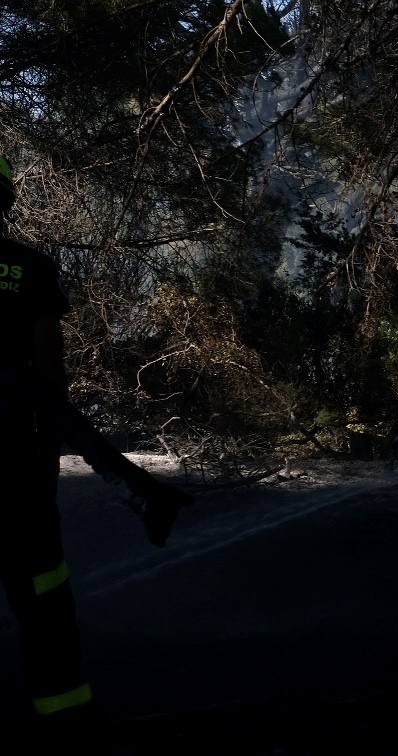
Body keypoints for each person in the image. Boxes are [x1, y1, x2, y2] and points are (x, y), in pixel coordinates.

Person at [0, 151, 191, 720]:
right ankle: (63, 719)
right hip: (18, 465)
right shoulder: (29, 268)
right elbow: (51, 373)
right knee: (43, 596)